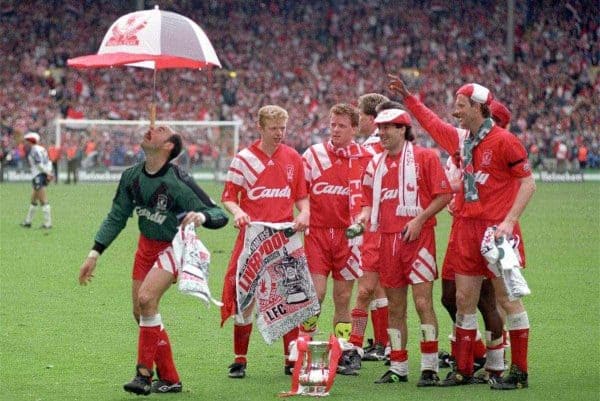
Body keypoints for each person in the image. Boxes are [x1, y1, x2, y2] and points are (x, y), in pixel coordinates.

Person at [389, 77, 535, 390]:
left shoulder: (504, 141)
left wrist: (509, 221)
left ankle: (519, 372)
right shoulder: (462, 141)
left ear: (479, 108)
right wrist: (409, 99)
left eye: (460, 106)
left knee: (507, 301)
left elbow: (528, 182)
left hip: (496, 231)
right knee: (463, 299)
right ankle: (464, 370)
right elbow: (430, 123)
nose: (455, 112)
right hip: (465, 229)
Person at [77, 125, 229, 396]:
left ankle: (143, 375)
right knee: (141, 312)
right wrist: (94, 254)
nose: (150, 129)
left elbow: (218, 212)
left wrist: (202, 217)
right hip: (145, 248)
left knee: (147, 299)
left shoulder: (177, 179)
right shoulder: (131, 177)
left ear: (169, 145)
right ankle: (170, 378)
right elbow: (116, 216)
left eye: (159, 129)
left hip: (174, 246)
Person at [356, 101, 453, 386]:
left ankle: (430, 367)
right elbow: (366, 199)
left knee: (423, 303)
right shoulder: (374, 163)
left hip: (418, 240)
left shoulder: (426, 157)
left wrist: (419, 219)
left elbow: (444, 195)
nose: (382, 133)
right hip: (386, 240)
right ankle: (398, 366)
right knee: (395, 307)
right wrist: (363, 216)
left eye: (387, 128)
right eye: (380, 128)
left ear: (403, 129)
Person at [220, 105, 310, 379]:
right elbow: (228, 197)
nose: (279, 133)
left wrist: (305, 212)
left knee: (290, 297)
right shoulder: (244, 159)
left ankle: (289, 359)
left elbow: (301, 197)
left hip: (284, 237)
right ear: (260, 128)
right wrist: (238, 212)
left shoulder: (293, 157)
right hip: (253, 237)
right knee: (244, 295)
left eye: (282, 128)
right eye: (274, 129)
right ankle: (240, 359)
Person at [301, 103, 372, 374]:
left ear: (354, 128)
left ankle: (342, 350)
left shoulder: (365, 158)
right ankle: (304, 346)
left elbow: (371, 197)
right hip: (318, 234)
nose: (336, 130)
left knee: (343, 298)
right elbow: (300, 192)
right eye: (333, 125)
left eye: (342, 126)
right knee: (315, 294)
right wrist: (304, 212)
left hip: (349, 237)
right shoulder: (313, 155)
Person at [349, 93, 390, 362]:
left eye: (361, 116)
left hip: (374, 225)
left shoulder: (373, 148)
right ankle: (381, 343)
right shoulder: (375, 145)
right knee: (376, 287)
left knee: (370, 287)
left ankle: (362, 343)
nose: (358, 121)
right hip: (378, 223)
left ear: (372, 119)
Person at [20, 132, 54, 229]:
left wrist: (48, 173)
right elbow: (49, 161)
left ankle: (48, 224)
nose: (25, 142)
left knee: (43, 200)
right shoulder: (42, 149)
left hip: (38, 176)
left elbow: (39, 164)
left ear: (31, 141)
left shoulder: (33, 150)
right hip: (42, 175)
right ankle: (28, 222)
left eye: (27, 141)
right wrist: (49, 172)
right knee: (33, 199)